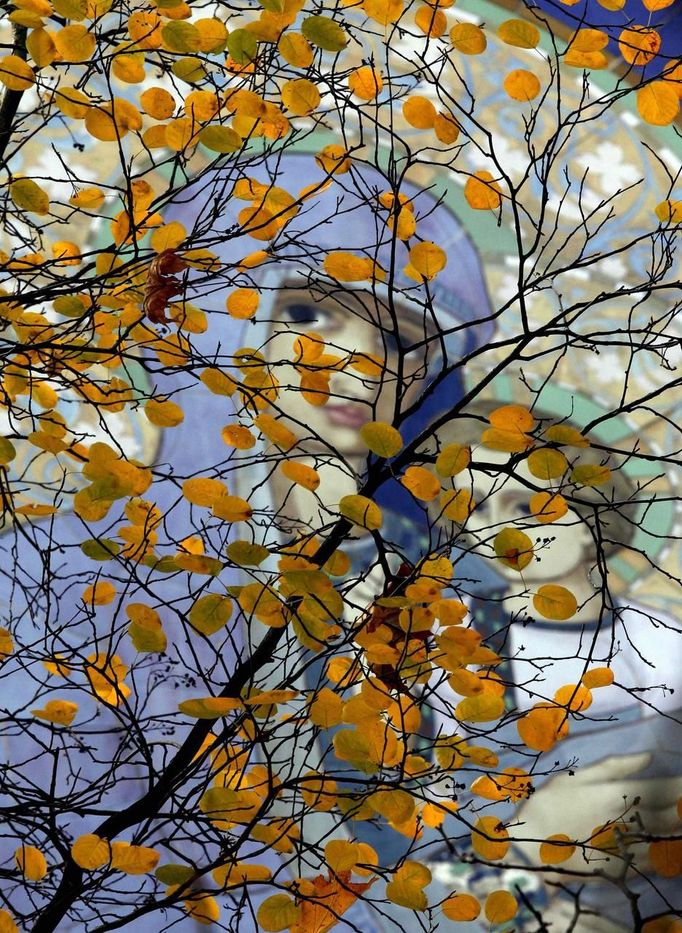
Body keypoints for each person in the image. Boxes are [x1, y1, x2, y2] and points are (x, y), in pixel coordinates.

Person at [0, 150, 497, 931]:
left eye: (401, 339)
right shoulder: (57, 562)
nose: (359, 363)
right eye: (308, 313)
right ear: (221, 315)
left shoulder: (429, 592)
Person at [427, 394, 682, 931]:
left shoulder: (663, 643)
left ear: (593, 513)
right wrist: (528, 841)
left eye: (524, 506)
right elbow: (430, 841)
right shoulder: (452, 650)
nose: (502, 534)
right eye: (478, 507)